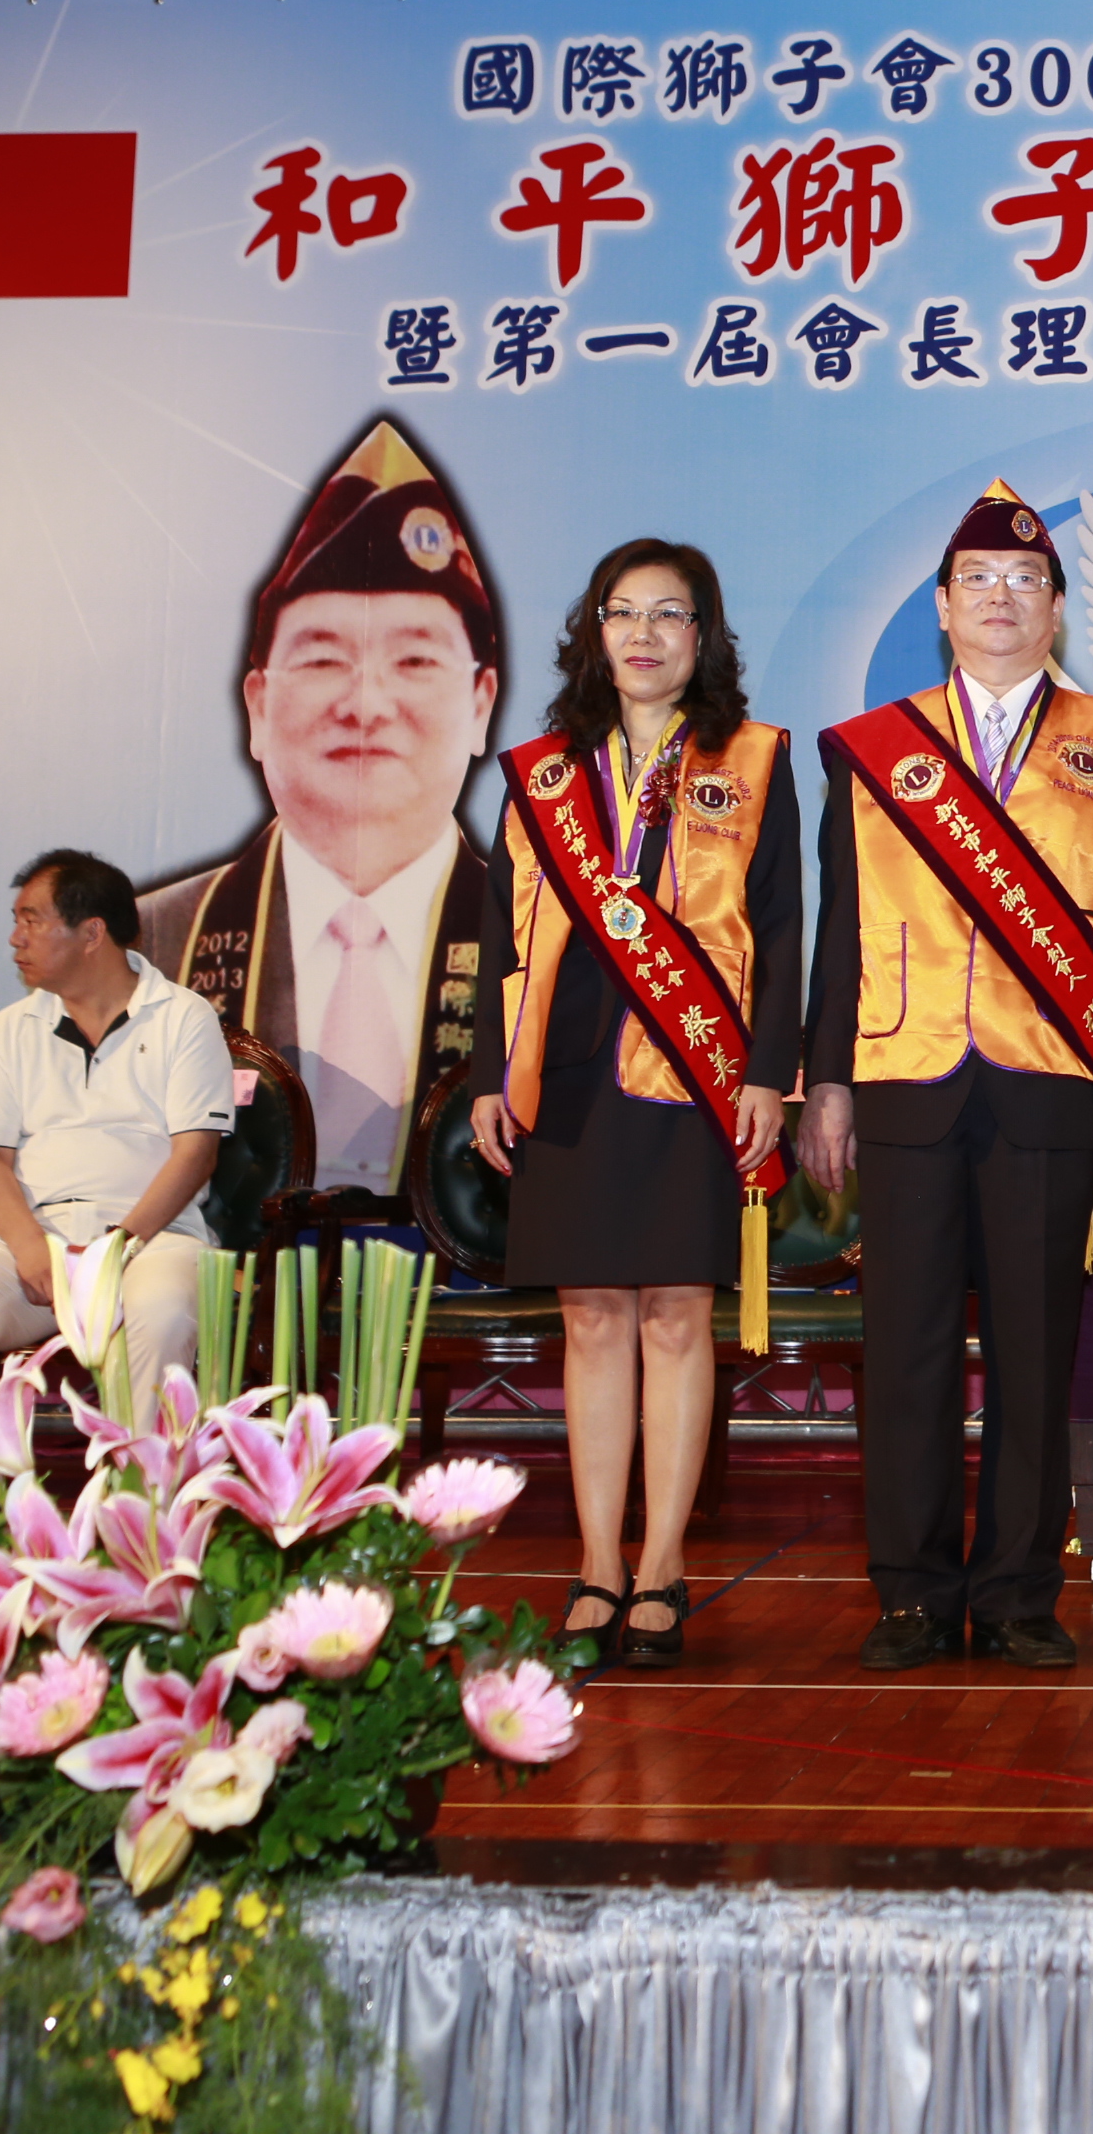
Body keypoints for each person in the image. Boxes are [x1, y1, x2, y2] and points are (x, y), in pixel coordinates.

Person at [799, 481, 1093, 1673]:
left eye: (1024, 581)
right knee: (906, 1351)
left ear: (1057, 608)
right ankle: (912, 1592)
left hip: (1051, 1081)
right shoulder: (876, 748)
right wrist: (826, 1079)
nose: (1000, 599)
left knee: (1033, 1348)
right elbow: (840, 926)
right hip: (905, 1074)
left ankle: (1015, 1592)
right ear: (943, 607)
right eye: (977, 582)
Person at [472, 540, 799, 1669]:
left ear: (704, 636)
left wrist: (768, 1073)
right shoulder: (541, 774)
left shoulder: (750, 759)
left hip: (696, 1078)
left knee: (674, 1316)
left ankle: (661, 1562)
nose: (645, 634)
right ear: (594, 631)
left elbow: (783, 927)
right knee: (593, 1320)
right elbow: (495, 933)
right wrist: (489, 1075)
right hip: (565, 1078)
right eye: (624, 612)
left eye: (671, 614)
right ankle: (596, 1563)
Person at [138, 421, 501, 1199]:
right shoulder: (154, 940)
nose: (365, 704)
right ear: (258, 706)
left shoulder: (540, 938)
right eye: (325, 658)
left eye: (414, 659)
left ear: (481, 704)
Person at [0, 851, 235, 1510]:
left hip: (150, 1240)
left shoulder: (183, 1017)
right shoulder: (10, 1029)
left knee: (164, 1312)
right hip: (28, 1244)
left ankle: (144, 1513)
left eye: (32, 920)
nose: (15, 938)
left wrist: (117, 1247)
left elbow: (195, 1153)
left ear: (92, 932)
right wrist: (31, 1248)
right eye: (16, 920)